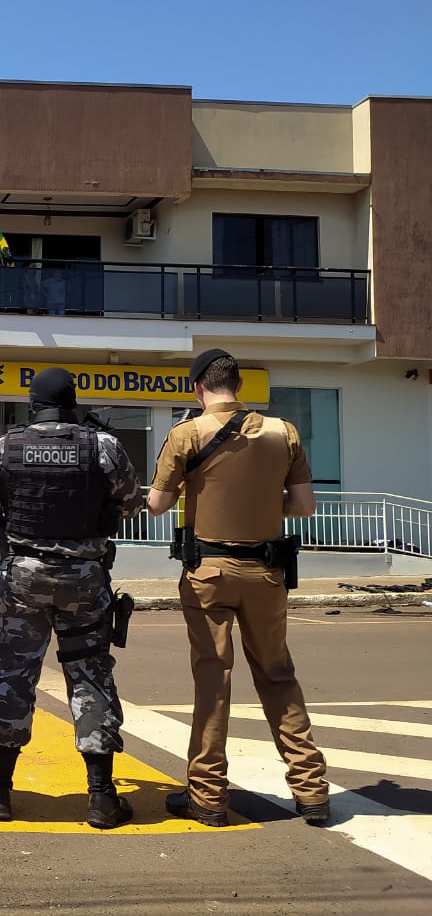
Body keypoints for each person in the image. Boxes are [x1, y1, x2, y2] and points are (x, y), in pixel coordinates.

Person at [147, 349, 331, 827]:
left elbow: (157, 504)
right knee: (277, 674)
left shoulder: (186, 434)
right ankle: (311, 790)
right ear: (239, 387)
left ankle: (207, 797)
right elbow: (305, 506)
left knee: (214, 679)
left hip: (209, 571)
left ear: (197, 388)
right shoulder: (283, 432)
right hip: (267, 573)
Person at [0, 367, 143, 828]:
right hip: (85, 579)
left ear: (32, 402)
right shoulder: (101, 446)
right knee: (90, 676)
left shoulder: (5, 447)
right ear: (72, 400)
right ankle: (102, 798)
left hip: (23, 578)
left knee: (15, 675)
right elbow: (130, 504)